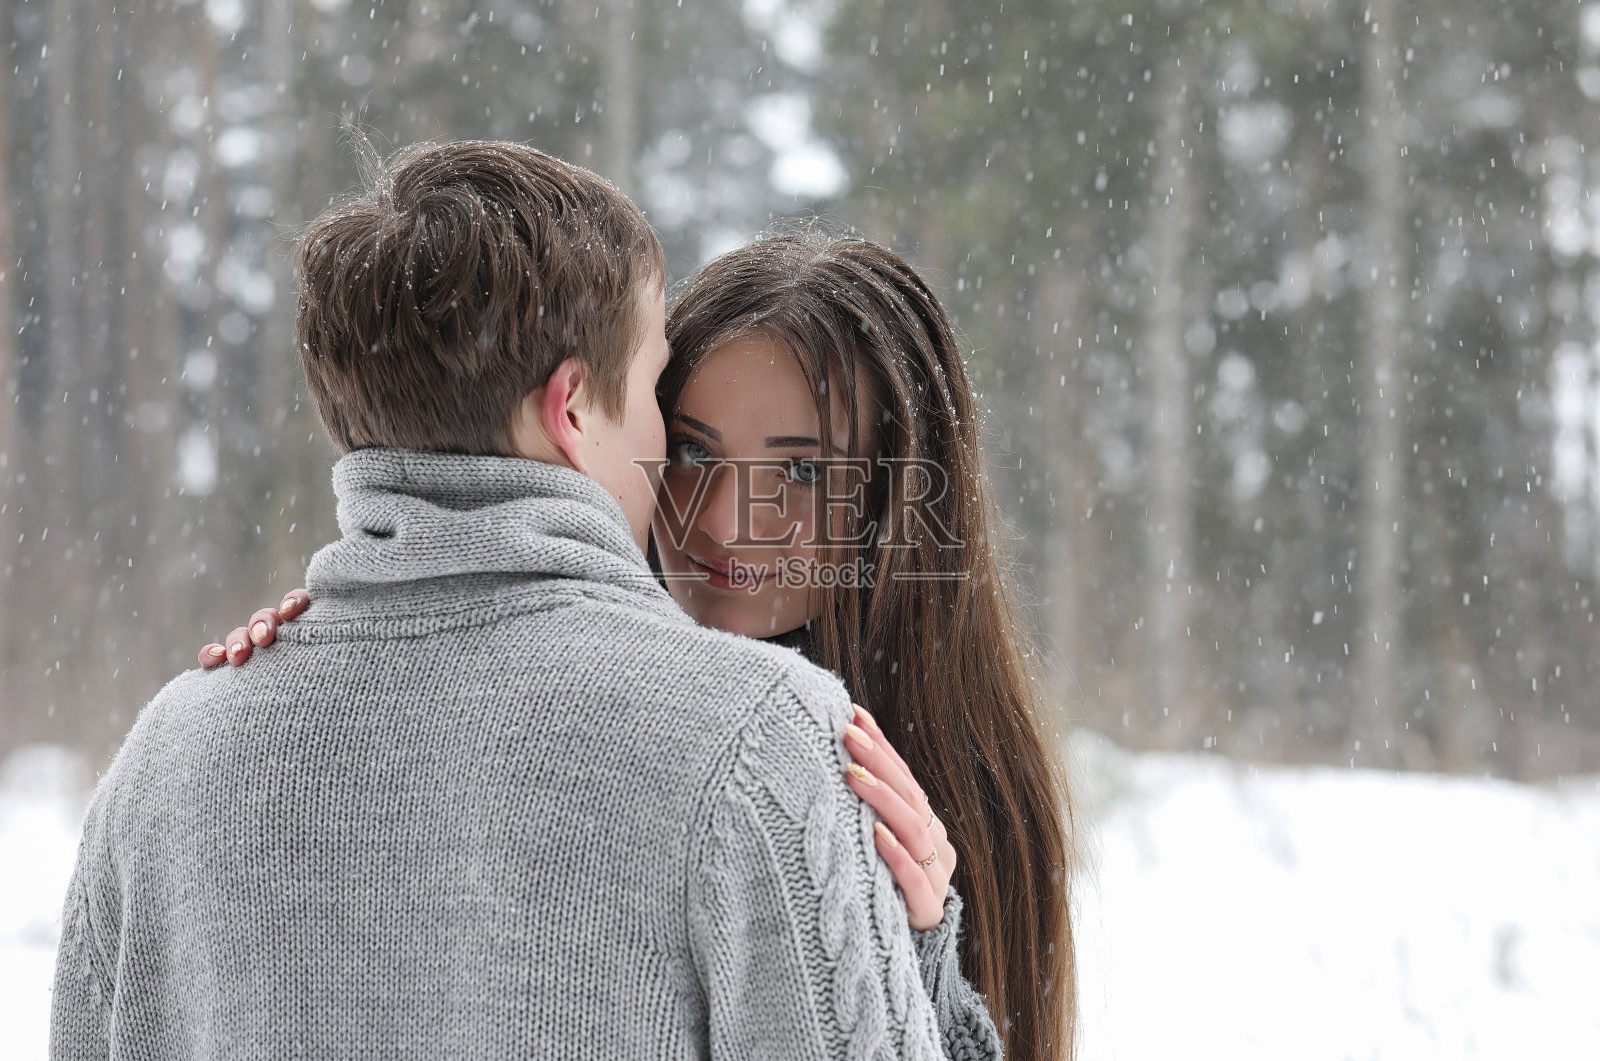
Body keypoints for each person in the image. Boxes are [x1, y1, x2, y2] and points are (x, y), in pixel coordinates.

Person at [52, 140, 998, 1060]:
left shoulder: (166, 754)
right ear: (575, 406)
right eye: (673, 419)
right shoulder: (765, 744)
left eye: (799, 471)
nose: (720, 512)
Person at [213, 231, 1076, 1060]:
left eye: (804, 473)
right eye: (694, 451)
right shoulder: (567, 695)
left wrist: (910, 962)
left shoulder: (968, 782)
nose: (726, 523)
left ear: (896, 500)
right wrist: (359, 637)